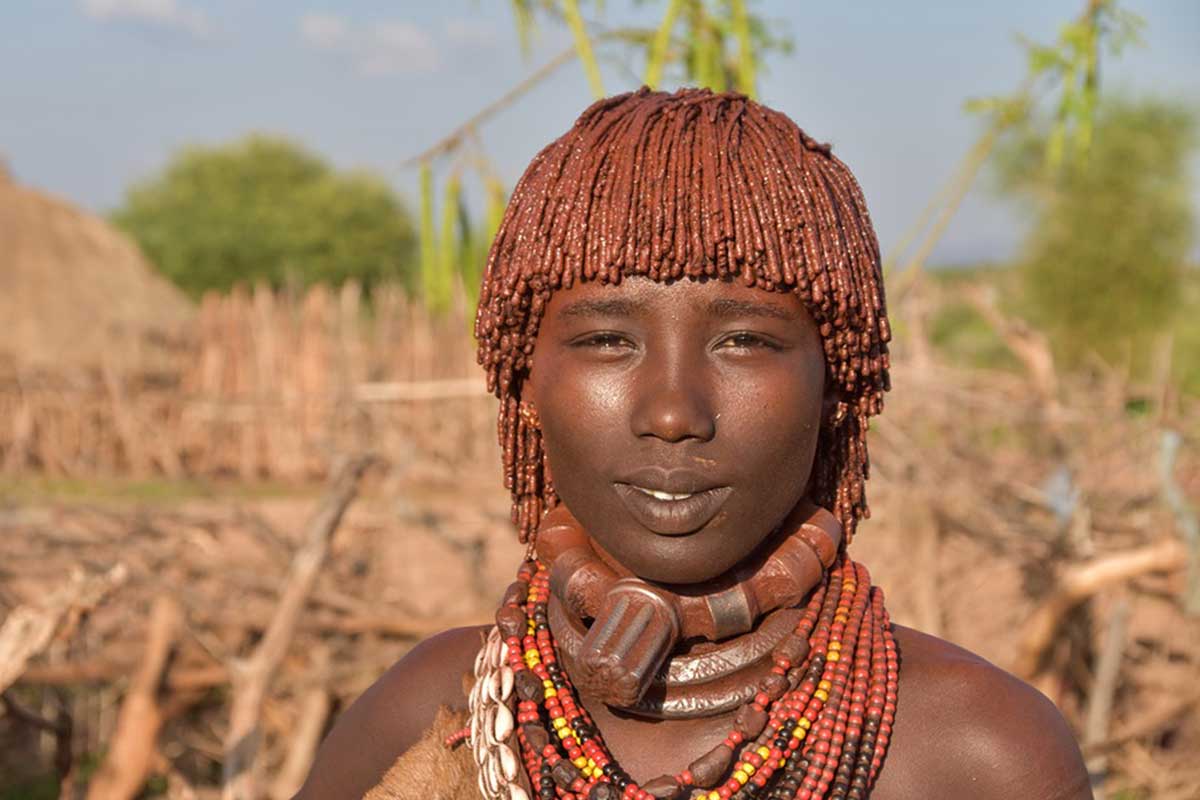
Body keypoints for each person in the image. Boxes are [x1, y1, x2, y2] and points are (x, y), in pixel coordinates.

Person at [296, 87, 1090, 800]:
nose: (673, 412)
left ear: (837, 386)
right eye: (607, 340)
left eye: (744, 340)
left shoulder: (976, 753)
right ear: (524, 385)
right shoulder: (435, 712)